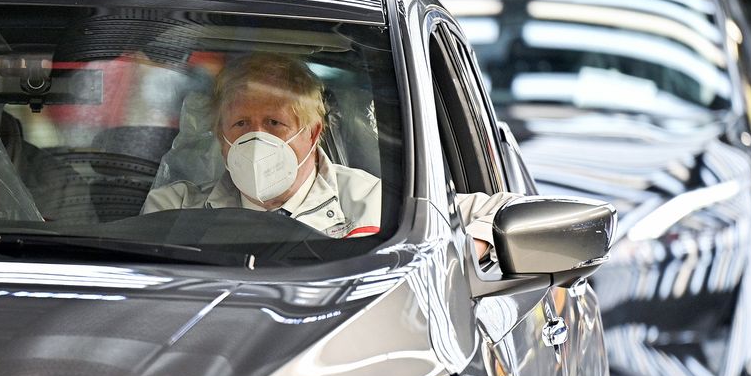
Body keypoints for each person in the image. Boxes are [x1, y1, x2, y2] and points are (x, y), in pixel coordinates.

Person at [142, 53, 511, 255]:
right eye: (240, 124)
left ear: (313, 133)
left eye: (274, 123)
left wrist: (465, 255)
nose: (256, 138)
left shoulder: (376, 204)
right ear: (220, 137)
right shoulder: (175, 209)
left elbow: (500, 209)